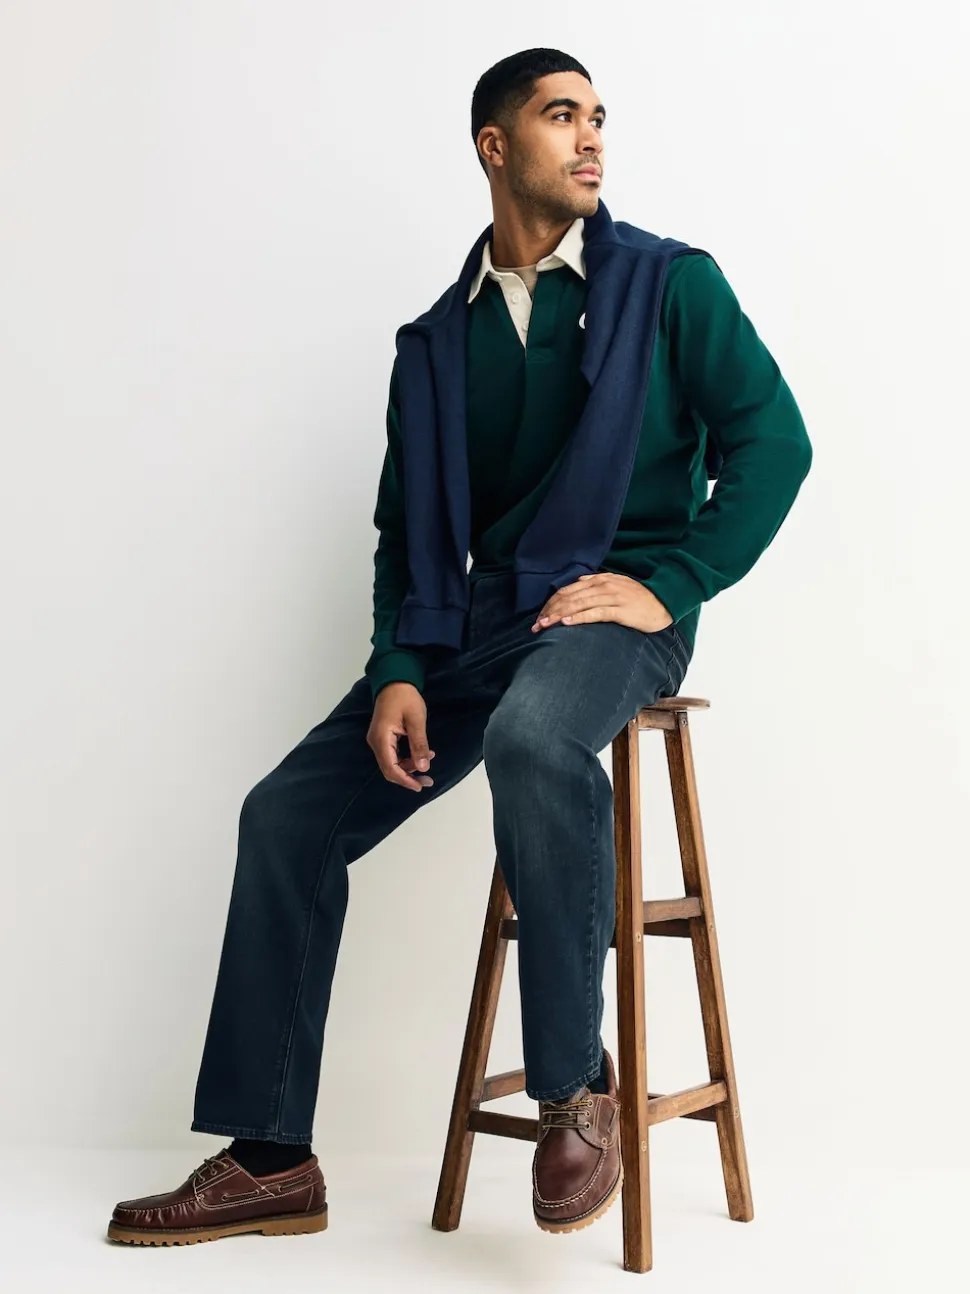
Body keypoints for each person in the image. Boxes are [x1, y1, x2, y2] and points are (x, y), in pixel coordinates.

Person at [107, 46, 812, 1247]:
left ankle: (574, 1090)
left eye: (597, 117)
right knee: (284, 816)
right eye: (559, 115)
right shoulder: (436, 344)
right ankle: (271, 1157)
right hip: (469, 625)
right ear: (494, 146)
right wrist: (398, 667)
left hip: (607, 619)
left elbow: (773, 442)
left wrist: (670, 584)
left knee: (538, 737)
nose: (590, 137)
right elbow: (405, 531)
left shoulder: (668, 285)